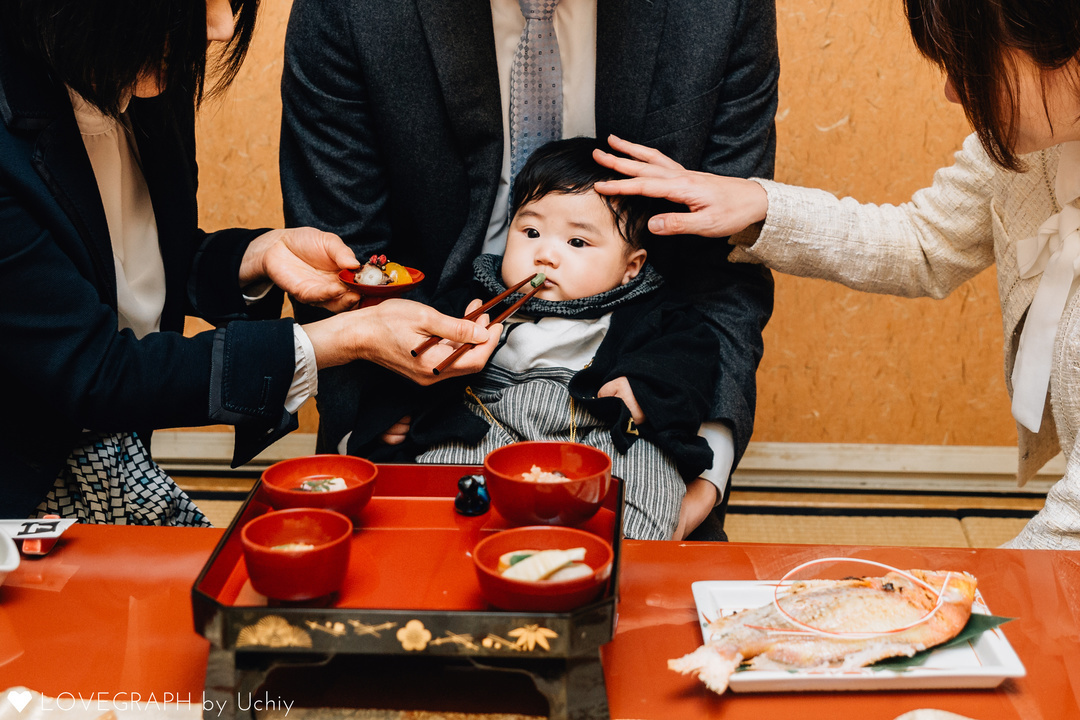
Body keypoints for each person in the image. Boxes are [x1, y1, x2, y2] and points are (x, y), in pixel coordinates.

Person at [280, 0, 780, 540]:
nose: (546, 254)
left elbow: (721, 268)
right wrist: (373, 421)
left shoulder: (721, 11)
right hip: (444, 408)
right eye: (534, 233)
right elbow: (347, 266)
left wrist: (701, 459)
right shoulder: (352, 12)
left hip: (627, 433)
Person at [591, 0, 1080, 549]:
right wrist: (759, 206)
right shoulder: (1032, 147)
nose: (951, 90)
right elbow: (925, 241)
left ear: (1055, 41)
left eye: (968, 63)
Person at [0, 0, 500, 523]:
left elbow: (113, 267)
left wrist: (255, 256)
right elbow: (95, 369)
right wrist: (341, 339)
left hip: (116, 458)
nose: (222, 28)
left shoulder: (144, 76)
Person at [348, 138, 719, 540]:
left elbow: (691, 357)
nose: (545, 255)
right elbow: (408, 358)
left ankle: (617, 550)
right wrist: (390, 415)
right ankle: (466, 548)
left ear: (631, 267)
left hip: (596, 432)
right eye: (530, 231)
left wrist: (648, 391)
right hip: (485, 424)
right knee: (439, 475)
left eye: (576, 242)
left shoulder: (654, 312)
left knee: (645, 474)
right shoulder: (471, 299)